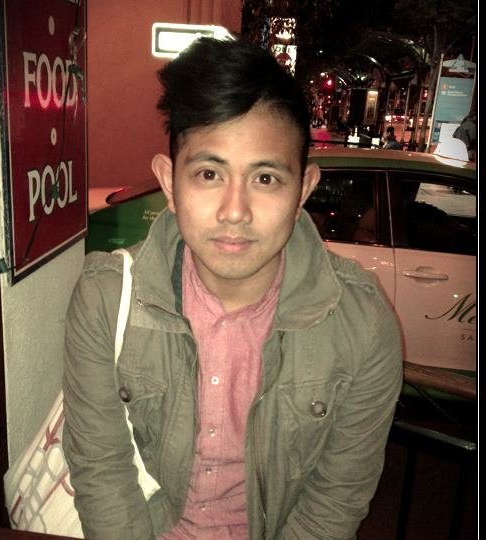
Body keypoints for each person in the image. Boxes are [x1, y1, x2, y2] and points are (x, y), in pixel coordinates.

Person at [62, 36, 403, 540]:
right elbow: (101, 472)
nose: (235, 211)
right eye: (209, 173)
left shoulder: (364, 324)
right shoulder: (106, 299)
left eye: (265, 179)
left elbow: (336, 500)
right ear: (170, 183)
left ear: (303, 190)